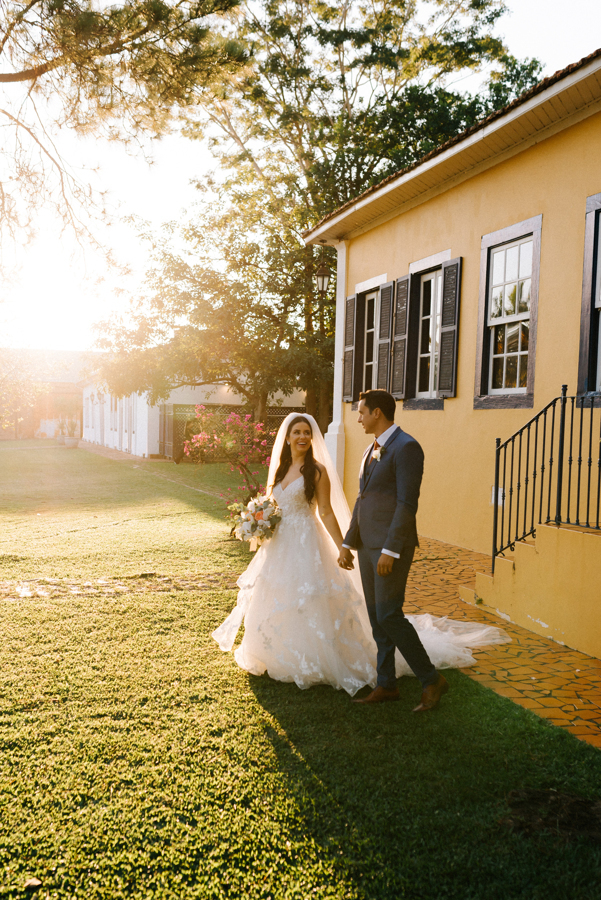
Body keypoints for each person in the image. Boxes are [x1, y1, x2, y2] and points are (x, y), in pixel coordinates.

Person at [212, 411, 509, 699]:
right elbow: (275, 506)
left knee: (319, 601)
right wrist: (259, 522)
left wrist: (343, 545)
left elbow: (326, 512)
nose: (302, 437)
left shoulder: (317, 471)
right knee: (278, 597)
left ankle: (343, 664)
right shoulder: (280, 470)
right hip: (280, 545)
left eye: (306, 432)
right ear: (287, 438)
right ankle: (277, 654)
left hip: (307, 543)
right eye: (297, 432)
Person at [338, 389, 448, 711]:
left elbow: (406, 504)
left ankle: (432, 680)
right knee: (376, 618)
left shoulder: (407, 447)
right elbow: (363, 500)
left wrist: (390, 550)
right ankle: (386, 684)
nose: (358, 418)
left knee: (389, 614)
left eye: (361, 412)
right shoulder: (370, 449)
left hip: (390, 549)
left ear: (377, 413)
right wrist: (348, 541)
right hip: (366, 546)